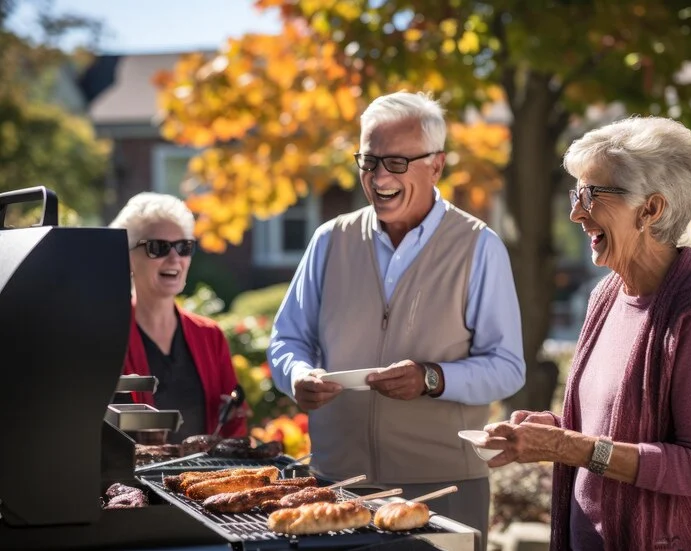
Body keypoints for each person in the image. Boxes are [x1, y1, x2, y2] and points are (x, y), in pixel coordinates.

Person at [268, 91, 526, 544]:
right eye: (369, 161)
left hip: (445, 490)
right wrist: (297, 375)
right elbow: (287, 339)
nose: (379, 177)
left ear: (437, 165)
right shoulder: (330, 240)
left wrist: (432, 378)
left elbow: (507, 367)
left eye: (396, 163)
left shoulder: (479, 246)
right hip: (339, 487)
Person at [481, 117, 691, 550]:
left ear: (651, 209)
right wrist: (547, 432)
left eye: (591, 195)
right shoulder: (606, 294)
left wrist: (569, 446)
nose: (575, 212)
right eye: (575, 194)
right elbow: (608, 427)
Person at [110, 192, 247, 442]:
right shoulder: (107, 335)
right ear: (126, 256)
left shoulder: (210, 335)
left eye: (184, 247)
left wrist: (233, 416)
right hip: (130, 479)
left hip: (201, 479)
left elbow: (234, 430)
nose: (175, 258)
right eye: (158, 247)